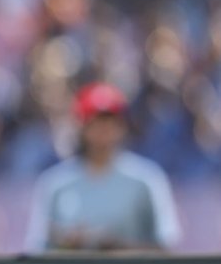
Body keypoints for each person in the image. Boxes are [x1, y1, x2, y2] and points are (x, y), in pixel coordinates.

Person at [25, 82, 181, 253]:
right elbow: (38, 249)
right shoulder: (55, 183)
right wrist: (67, 243)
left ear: (122, 126)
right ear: (82, 127)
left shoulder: (146, 179)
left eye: (110, 121)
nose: (103, 129)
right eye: (96, 121)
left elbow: (166, 247)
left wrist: (119, 248)